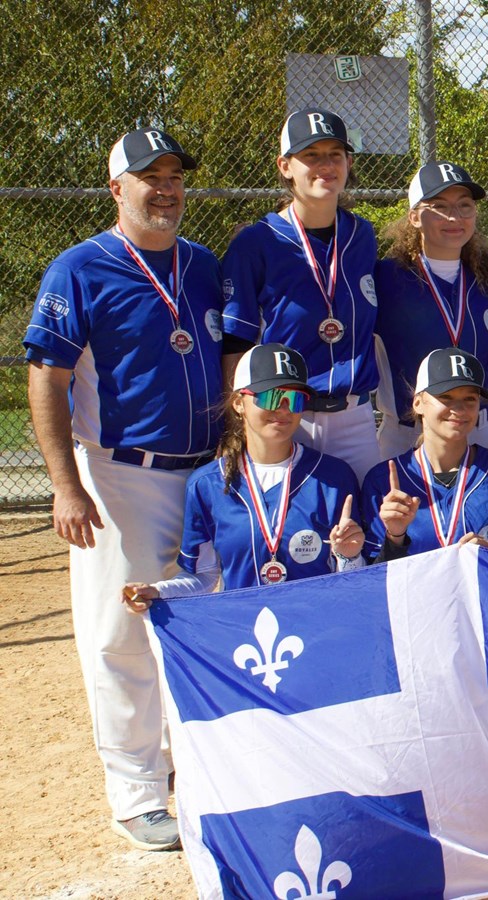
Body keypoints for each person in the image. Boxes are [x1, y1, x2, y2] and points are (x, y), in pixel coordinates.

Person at [24, 127, 221, 851]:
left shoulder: (203, 265)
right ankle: (136, 794)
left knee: (197, 620)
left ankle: (185, 768)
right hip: (120, 474)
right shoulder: (79, 268)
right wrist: (66, 485)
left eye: (174, 176)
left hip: (206, 471)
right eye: (149, 177)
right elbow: (46, 378)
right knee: (120, 636)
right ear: (117, 188)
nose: (165, 188)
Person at [121, 344, 365, 602]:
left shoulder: (334, 477)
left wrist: (349, 557)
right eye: (271, 397)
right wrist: (158, 592)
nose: (284, 409)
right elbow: (204, 577)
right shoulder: (207, 484)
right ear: (239, 403)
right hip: (244, 624)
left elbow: (354, 580)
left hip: (313, 619)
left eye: (295, 399)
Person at [221, 107, 381, 479]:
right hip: (284, 415)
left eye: (335, 154)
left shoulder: (362, 236)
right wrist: (236, 426)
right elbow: (235, 341)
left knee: (362, 514)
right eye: (311, 155)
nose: (325, 165)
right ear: (285, 166)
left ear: (348, 163)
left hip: (356, 416)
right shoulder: (257, 242)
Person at [373, 162, 488, 458]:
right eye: (439, 206)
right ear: (414, 216)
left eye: (464, 205)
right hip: (408, 433)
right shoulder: (385, 278)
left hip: (479, 429)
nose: (454, 217)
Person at [363, 348, 488, 562]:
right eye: (445, 397)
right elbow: (372, 577)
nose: (459, 409)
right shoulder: (383, 482)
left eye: (470, 399)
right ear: (418, 403)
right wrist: (395, 538)